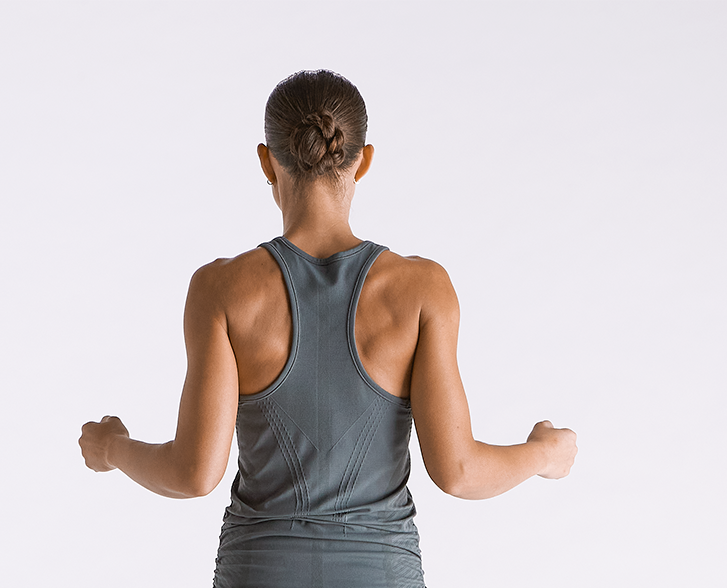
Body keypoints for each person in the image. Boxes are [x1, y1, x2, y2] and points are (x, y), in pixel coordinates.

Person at [79, 69, 578, 588]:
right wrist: (545, 452)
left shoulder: (220, 289)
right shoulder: (422, 289)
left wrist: (112, 447)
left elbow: (194, 474)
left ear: (266, 161)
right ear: (363, 161)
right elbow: (459, 472)